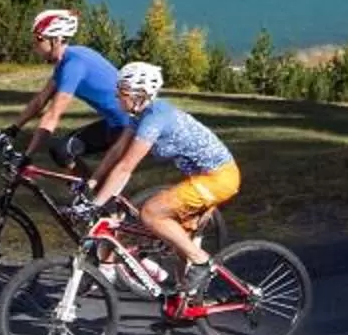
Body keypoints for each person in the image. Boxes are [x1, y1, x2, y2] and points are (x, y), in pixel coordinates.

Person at [82, 59, 236, 293]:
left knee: (151, 212)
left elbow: (125, 167)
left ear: (139, 95)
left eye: (122, 92)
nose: (117, 97)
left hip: (218, 178)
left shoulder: (155, 118)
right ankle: (185, 303)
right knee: (176, 239)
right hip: (203, 179)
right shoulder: (140, 116)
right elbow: (116, 152)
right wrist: (92, 182)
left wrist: (95, 204)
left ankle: (202, 261)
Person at [3, 8, 130, 174]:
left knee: (67, 153)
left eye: (39, 40)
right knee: (61, 150)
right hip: (116, 121)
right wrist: (13, 128)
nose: (35, 47)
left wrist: (28, 155)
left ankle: (94, 197)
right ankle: (88, 196)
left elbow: (52, 115)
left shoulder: (73, 65)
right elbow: (40, 101)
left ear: (56, 40)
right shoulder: (67, 62)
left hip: (128, 125)